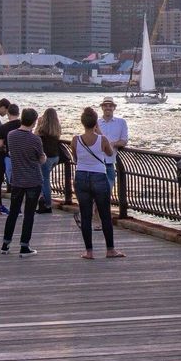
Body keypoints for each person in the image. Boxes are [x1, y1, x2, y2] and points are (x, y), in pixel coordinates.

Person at [71, 107, 125, 260]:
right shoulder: (102, 139)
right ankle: (110, 250)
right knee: (105, 215)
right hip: (99, 176)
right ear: (95, 123)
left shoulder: (76, 139)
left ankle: (89, 252)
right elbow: (109, 153)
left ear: (82, 123)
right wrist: (99, 132)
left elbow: (75, 158)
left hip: (81, 176)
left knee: (86, 215)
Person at [1, 109, 45, 256]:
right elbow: (41, 159)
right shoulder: (35, 139)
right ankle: (24, 246)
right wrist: (43, 157)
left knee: (13, 212)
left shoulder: (11, 135)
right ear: (34, 121)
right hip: (33, 179)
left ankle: (5, 244)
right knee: (29, 214)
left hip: (17, 179)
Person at [96, 97, 128, 193]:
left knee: (107, 191)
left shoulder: (121, 122)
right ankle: (97, 207)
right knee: (96, 192)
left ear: (114, 108)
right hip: (96, 162)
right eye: (105, 105)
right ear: (102, 107)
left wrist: (113, 144)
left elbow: (124, 141)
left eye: (110, 105)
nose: (108, 107)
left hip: (110, 162)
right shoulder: (96, 123)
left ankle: (101, 208)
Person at [36, 107, 63, 214]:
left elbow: (35, 137)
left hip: (46, 157)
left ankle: (47, 205)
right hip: (55, 157)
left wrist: (38, 124)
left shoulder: (42, 129)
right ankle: (44, 201)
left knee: (45, 180)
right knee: (45, 178)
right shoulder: (57, 128)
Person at [0, 101, 21, 204]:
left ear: (8, 114)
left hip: (10, 156)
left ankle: (14, 203)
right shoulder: (23, 125)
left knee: (12, 181)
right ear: (18, 113)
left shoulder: (4, 127)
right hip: (23, 157)